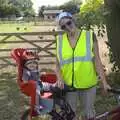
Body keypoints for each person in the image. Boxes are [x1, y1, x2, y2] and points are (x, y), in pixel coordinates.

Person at [55, 12, 111, 120]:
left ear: (73, 20)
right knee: (70, 115)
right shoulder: (60, 40)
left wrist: (104, 82)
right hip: (69, 85)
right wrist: (59, 78)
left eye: (68, 23)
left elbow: (97, 61)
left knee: (88, 114)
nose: (67, 27)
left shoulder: (89, 36)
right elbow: (57, 65)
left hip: (88, 84)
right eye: (63, 26)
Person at [22, 50, 54, 114]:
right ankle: (37, 106)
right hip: (33, 87)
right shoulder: (26, 72)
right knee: (37, 93)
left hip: (39, 83)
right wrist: (27, 82)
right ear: (25, 64)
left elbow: (38, 76)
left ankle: (54, 89)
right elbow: (25, 80)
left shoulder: (35, 70)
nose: (32, 65)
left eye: (34, 63)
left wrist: (41, 74)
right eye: (29, 63)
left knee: (50, 85)